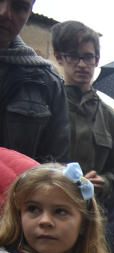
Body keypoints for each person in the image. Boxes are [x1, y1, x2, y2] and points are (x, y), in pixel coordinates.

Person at [51, 21, 114, 209]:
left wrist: (105, 182)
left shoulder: (110, 118)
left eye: (88, 57)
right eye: (72, 56)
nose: (82, 65)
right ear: (59, 57)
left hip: (90, 213)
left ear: (97, 59)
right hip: (47, 205)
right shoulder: (49, 105)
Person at [0, 0, 69, 164]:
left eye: (19, 7)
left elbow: (54, 167)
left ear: (29, 14)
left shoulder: (47, 83)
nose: (4, 13)